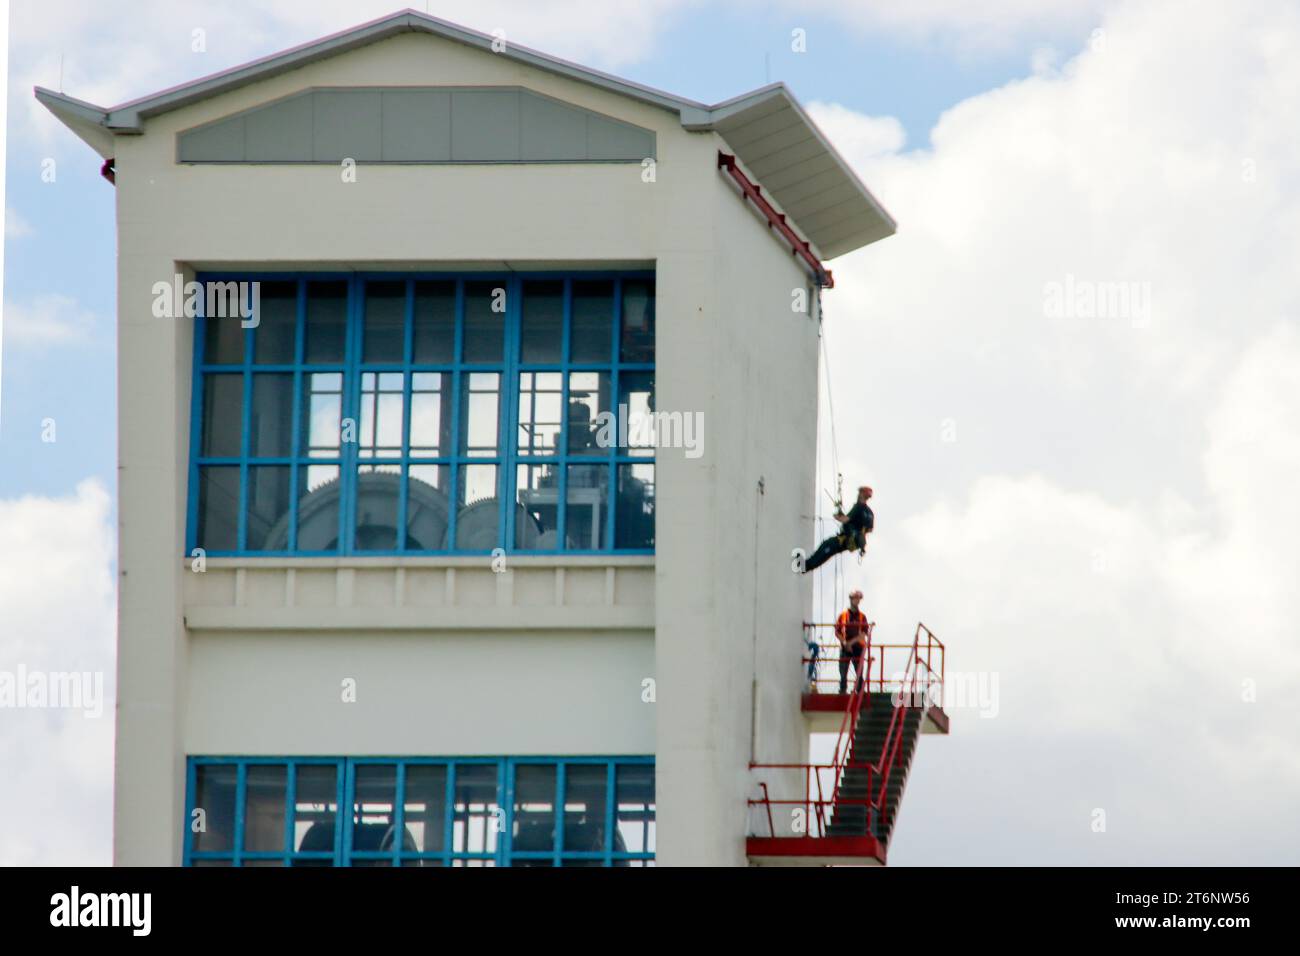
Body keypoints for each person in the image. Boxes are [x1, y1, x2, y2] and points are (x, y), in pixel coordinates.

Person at [802, 485, 874, 573]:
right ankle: (807, 566)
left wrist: (837, 516)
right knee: (830, 549)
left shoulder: (858, 507)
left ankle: (805, 566)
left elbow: (844, 519)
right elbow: (870, 529)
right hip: (855, 542)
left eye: (860, 493)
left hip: (847, 538)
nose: (858, 494)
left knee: (827, 546)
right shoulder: (870, 513)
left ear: (862, 494)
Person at [835, 590, 871, 694]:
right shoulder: (843, 615)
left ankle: (859, 691)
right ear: (851, 599)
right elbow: (837, 631)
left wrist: (850, 643)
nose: (858, 601)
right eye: (856, 598)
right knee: (843, 671)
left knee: (859, 671)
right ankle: (843, 690)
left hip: (858, 647)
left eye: (859, 599)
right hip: (845, 647)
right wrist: (845, 643)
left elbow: (864, 633)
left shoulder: (862, 616)